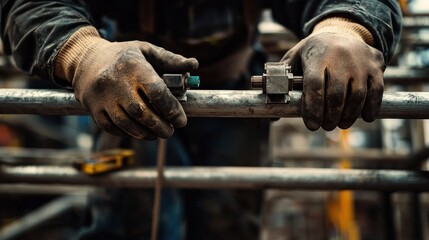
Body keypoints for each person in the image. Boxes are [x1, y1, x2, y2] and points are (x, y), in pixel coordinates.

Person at [1, 0, 402, 239]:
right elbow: (31, 6)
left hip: (236, 98)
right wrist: (82, 51)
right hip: (128, 89)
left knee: (227, 224)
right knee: (133, 223)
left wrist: (346, 27)